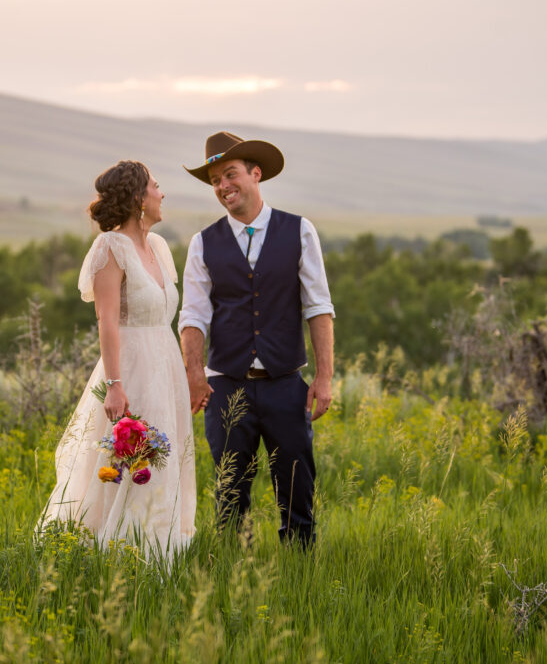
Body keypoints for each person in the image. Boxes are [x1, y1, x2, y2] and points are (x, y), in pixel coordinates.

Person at [179, 132, 335, 547]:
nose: (223, 186)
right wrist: (195, 375)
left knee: (298, 492)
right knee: (230, 497)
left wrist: (324, 378)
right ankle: (235, 580)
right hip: (225, 386)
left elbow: (318, 307)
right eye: (215, 181)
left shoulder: (300, 231)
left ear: (255, 173)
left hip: (286, 385)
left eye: (230, 174)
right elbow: (193, 315)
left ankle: (301, 582)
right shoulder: (202, 243)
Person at [37, 160, 196, 558]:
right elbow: (107, 320)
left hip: (165, 367)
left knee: (162, 460)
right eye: (156, 186)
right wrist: (115, 385)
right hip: (130, 370)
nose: (162, 194)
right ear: (139, 199)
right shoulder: (110, 247)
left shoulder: (158, 247)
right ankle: (114, 553)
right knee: (125, 464)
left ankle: (161, 550)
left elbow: (164, 313)